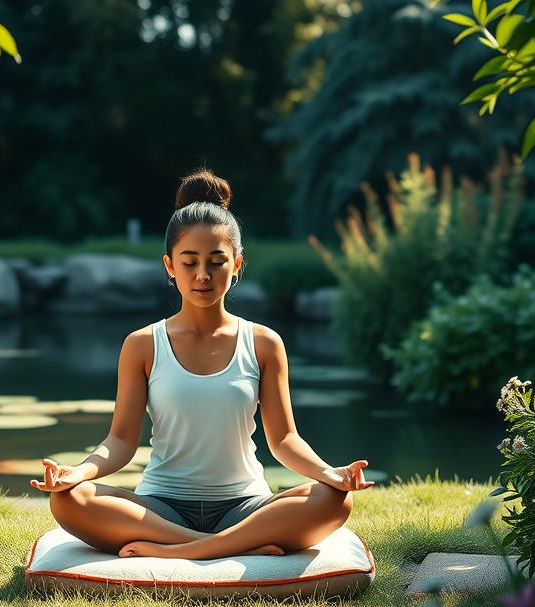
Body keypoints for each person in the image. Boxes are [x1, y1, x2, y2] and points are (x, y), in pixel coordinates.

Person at [29, 169, 375, 560]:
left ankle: (182, 551)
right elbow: (122, 441)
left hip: (244, 506)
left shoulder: (263, 343)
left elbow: (284, 441)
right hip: (161, 508)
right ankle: (223, 548)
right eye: (189, 262)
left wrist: (329, 473)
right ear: (169, 265)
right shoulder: (142, 345)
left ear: (238, 264)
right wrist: (79, 472)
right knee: (69, 501)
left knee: (334, 500)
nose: (203, 275)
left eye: (217, 261)